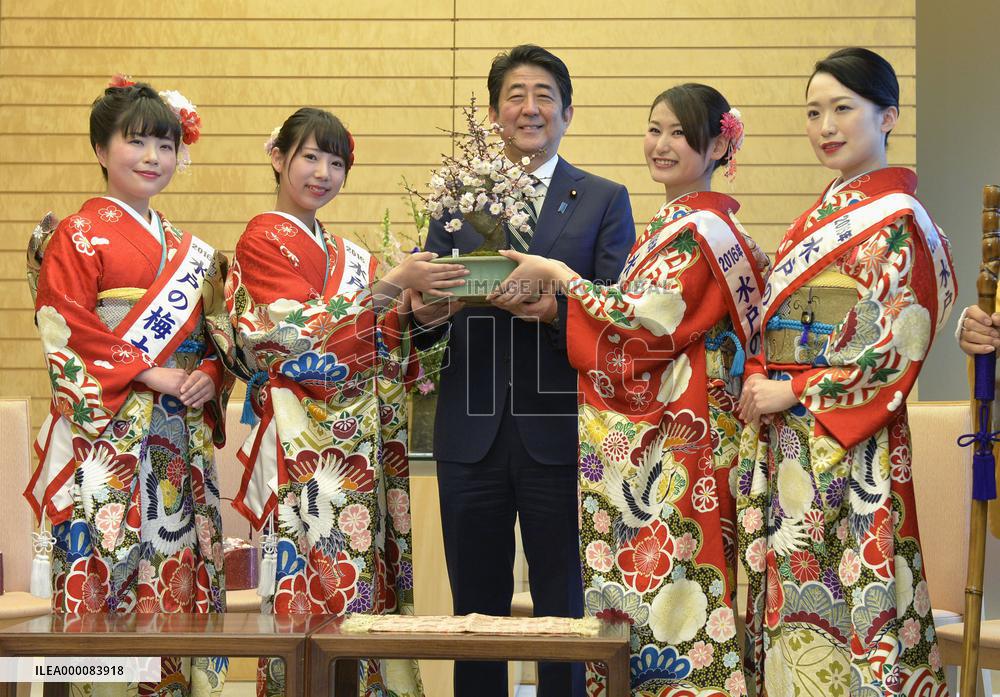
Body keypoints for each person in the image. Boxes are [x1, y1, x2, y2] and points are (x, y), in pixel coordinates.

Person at [496, 83, 767, 696]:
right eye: (655, 129)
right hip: (677, 436)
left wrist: (562, 277)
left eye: (679, 133)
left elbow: (648, 321)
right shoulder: (684, 225)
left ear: (719, 143)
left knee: (676, 600)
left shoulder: (700, 231)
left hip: (680, 445)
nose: (662, 144)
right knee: (658, 601)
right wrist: (558, 311)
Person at [408, 44, 635, 697]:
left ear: (567, 111)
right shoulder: (457, 197)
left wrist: (553, 310)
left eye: (544, 95)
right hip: (468, 427)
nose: (529, 107)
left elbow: (617, 313)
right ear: (493, 111)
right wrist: (428, 306)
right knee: (474, 611)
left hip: (560, 428)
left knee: (563, 604)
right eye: (515, 94)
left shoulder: (601, 200)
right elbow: (427, 317)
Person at [736, 48, 955, 695]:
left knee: (856, 599)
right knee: (794, 614)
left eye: (842, 109)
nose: (826, 125)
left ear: (887, 116)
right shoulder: (820, 215)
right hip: (789, 443)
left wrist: (793, 388)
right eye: (813, 111)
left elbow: (896, 346)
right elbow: (771, 321)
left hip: (853, 447)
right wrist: (757, 375)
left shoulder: (898, 221)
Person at [226, 107, 464, 697]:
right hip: (311, 446)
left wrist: (413, 312)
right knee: (318, 584)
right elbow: (286, 335)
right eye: (310, 157)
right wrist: (389, 288)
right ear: (278, 158)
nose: (323, 173)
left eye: (337, 163)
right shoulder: (262, 237)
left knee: (366, 583)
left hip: (364, 447)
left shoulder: (345, 252)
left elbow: (377, 337)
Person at [25, 76, 233, 697]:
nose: (151, 157)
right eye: (136, 141)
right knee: (110, 569)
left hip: (178, 439)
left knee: (178, 564)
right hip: (109, 440)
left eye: (164, 145)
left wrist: (208, 376)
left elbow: (215, 335)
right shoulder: (78, 236)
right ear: (100, 149)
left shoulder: (190, 250)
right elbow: (64, 324)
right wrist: (148, 370)